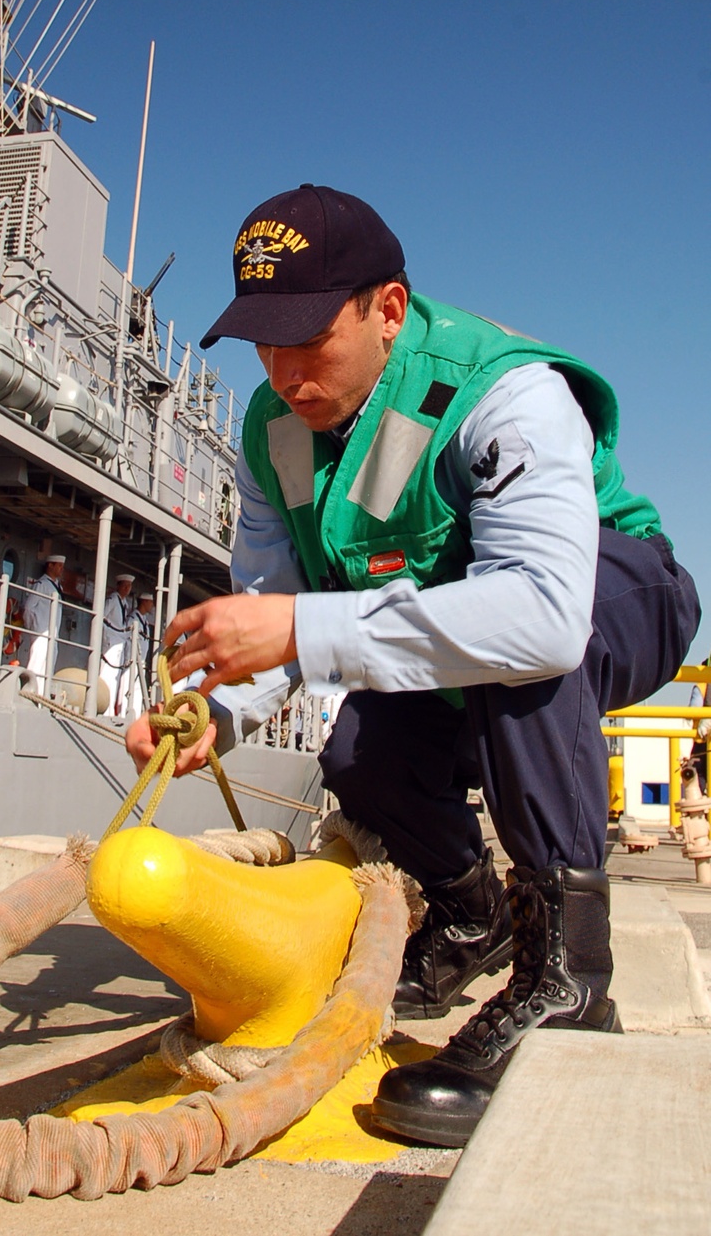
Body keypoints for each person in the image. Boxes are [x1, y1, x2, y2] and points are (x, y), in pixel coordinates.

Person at [125, 183, 700, 1149]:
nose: (284, 369)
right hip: (453, 632)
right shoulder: (273, 434)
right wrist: (211, 712)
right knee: (363, 757)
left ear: (387, 309)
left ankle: (571, 982)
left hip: (614, 591)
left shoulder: (503, 389)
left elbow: (546, 616)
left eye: (308, 337)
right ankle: (474, 914)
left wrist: (302, 631)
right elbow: (269, 615)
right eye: (263, 340)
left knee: (519, 665)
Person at [23, 555, 66, 693]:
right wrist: (33, 627)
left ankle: (42, 699)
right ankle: (30, 695)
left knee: (48, 669)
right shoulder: (41, 585)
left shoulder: (58, 586)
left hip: (53, 635)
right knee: (37, 666)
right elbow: (29, 607)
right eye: (58, 565)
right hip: (41, 633)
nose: (61, 569)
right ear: (50, 566)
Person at [101, 572, 135, 715]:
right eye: (125, 585)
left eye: (129, 586)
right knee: (106, 675)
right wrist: (107, 636)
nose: (127, 589)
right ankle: (102, 707)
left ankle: (110, 710)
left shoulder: (124, 603)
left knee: (114, 677)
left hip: (119, 642)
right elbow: (101, 616)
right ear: (119, 586)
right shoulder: (113, 599)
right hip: (111, 643)